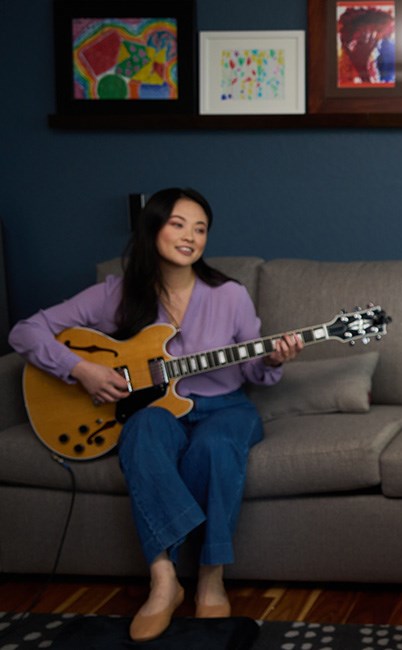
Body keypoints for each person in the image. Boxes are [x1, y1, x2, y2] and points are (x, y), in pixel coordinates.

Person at [9, 187, 302, 641]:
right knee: (142, 430)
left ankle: (210, 575)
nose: (191, 236)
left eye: (201, 228)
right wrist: (80, 369)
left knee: (216, 446)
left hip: (225, 408)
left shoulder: (230, 295)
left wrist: (273, 360)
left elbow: (251, 370)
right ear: (153, 229)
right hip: (156, 410)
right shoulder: (117, 293)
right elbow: (25, 331)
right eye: (178, 224)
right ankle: (163, 577)